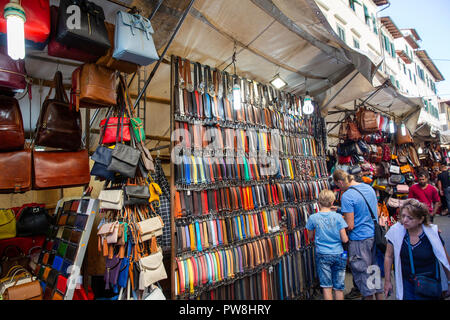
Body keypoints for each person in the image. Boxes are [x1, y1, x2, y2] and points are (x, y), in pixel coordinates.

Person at [332, 169, 384, 300]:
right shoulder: (369, 188)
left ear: (340, 182)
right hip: (373, 236)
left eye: (338, 186)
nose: (339, 189)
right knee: (374, 273)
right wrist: (339, 210)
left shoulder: (347, 196)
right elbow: (376, 212)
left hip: (359, 240)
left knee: (363, 275)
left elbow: (350, 225)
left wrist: (337, 220)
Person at [384, 199, 450, 300]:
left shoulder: (432, 234)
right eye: (403, 216)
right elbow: (389, 256)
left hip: (429, 282)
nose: (405, 220)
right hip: (407, 283)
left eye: (410, 218)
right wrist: (387, 281)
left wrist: (449, 282)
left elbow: (444, 260)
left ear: (420, 219)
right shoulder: (395, 232)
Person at [306, 190, 349, 300]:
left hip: (322, 254)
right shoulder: (338, 217)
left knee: (326, 286)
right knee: (339, 287)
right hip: (338, 254)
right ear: (332, 202)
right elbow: (344, 239)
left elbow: (310, 237)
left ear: (318, 202)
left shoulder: (313, 218)